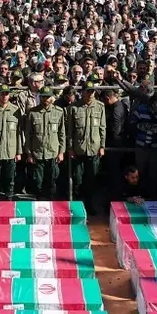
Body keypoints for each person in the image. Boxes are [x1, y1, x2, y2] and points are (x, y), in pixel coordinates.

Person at [67, 77, 106, 213]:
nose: (90, 94)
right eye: (87, 91)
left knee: (91, 180)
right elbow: (70, 130)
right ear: (82, 92)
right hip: (79, 149)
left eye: (92, 92)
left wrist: (102, 146)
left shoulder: (100, 107)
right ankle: (78, 207)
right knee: (77, 180)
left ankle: (90, 206)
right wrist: (70, 148)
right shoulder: (74, 108)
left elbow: (102, 128)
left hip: (94, 149)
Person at [23, 87, 66, 200]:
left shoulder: (58, 112)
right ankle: (39, 203)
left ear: (52, 97)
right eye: (43, 97)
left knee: (52, 181)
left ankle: (50, 204)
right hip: (37, 153)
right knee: (37, 181)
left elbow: (62, 133)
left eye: (47, 97)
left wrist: (61, 151)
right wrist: (29, 153)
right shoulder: (33, 113)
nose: (46, 99)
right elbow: (28, 135)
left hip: (53, 153)